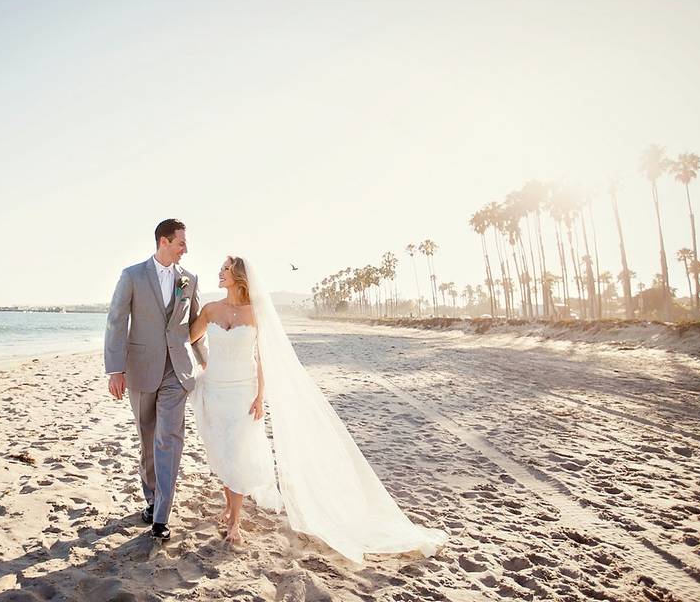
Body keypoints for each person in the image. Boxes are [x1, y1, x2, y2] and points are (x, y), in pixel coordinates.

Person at [190, 256, 447, 562]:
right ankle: (228, 506)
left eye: (225, 269)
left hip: (243, 392)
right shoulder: (210, 309)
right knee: (222, 449)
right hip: (215, 389)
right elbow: (190, 339)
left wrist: (260, 395)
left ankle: (235, 520)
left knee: (238, 450)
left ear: (239, 276)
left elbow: (262, 359)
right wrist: (205, 364)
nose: (219, 272)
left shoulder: (256, 314)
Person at [104, 219, 207, 541]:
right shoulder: (132, 275)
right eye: (181, 243)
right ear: (164, 241)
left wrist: (208, 363)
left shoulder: (189, 280)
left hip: (177, 370)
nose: (185, 249)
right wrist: (115, 370)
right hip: (140, 369)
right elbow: (117, 322)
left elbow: (195, 328)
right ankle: (151, 499)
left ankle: (162, 515)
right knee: (148, 439)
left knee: (169, 439)